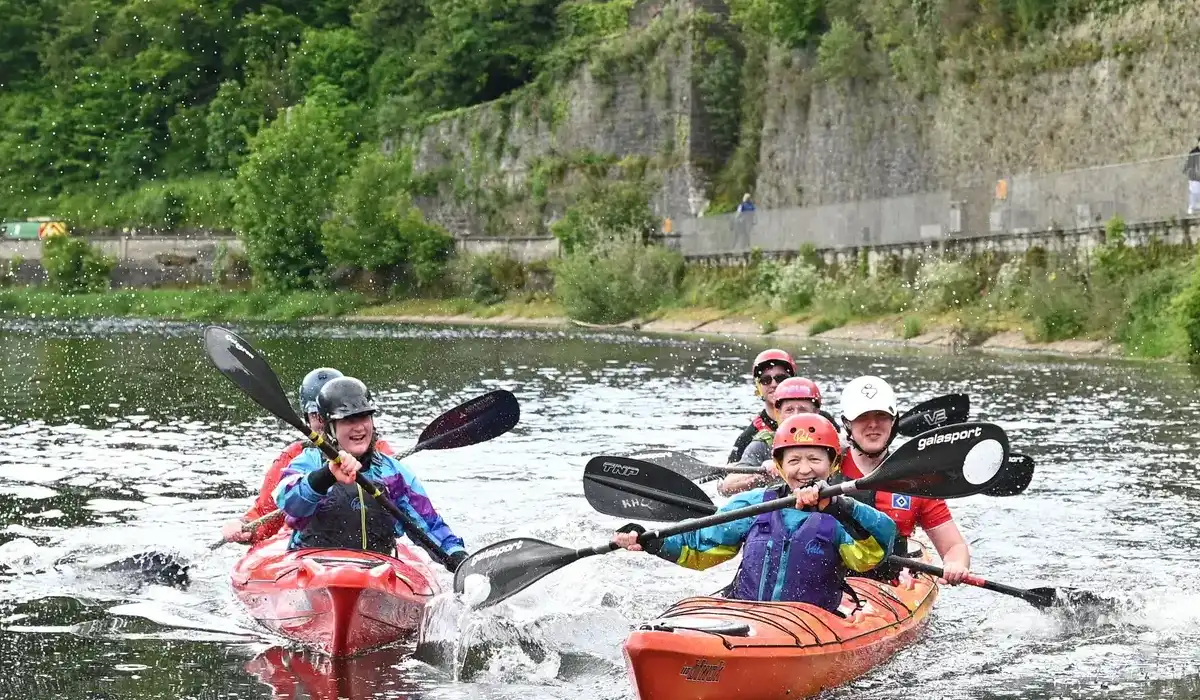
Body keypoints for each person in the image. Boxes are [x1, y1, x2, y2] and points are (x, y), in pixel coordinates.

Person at [614, 414, 896, 612]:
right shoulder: (753, 504)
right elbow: (701, 544)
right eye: (794, 460)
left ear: (833, 464)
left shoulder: (844, 514)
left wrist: (838, 507)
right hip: (748, 617)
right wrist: (655, 541)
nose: (805, 469)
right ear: (781, 466)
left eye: (814, 459)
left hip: (810, 626)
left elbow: (876, 549)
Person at [273, 377, 467, 572]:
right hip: (313, 567)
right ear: (330, 427)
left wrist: (457, 556)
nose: (359, 427)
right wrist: (327, 475)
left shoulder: (392, 473)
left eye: (364, 417)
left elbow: (429, 524)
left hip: (376, 570)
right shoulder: (309, 462)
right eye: (348, 419)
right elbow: (286, 500)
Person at [219, 368, 394, 544]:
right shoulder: (294, 456)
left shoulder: (380, 454)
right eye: (316, 415)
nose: (323, 422)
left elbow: (404, 502)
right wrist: (246, 526)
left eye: (340, 415)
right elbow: (267, 512)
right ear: (306, 419)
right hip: (309, 545)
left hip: (371, 544)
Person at [833, 375, 971, 585]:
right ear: (847, 423)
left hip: (891, 585)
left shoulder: (915, 480)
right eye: (863, 417)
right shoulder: (826, 466)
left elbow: (954, 547)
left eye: (881, 416)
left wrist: (955, 565)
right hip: (833, 583)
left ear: (894, 421)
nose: (873, 424)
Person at [717, 376, 824, 497]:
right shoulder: (763, 444)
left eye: (802, 410)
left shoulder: (831, 442)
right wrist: (760, 475)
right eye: (789, 410)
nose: (795, 416)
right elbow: (727, 487)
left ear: (816, 413)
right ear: (778, 414)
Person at [728, 349, 796, 464]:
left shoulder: (821, 420)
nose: (774, 384)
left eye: (780, 378)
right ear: (758, 387)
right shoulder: (747, 437)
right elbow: (730, 478)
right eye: (766, 380)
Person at [1185, 137, 1200, 215]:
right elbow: (1189, 165)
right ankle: (1191, 208)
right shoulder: (1194, 152)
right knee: (1194, 192)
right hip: (1194, 177)